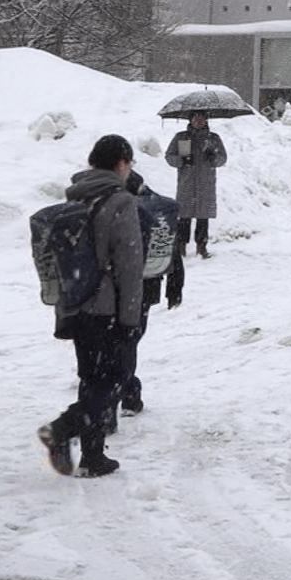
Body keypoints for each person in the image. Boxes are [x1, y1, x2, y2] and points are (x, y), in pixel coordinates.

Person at [39, 134, 145, 479]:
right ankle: (61, 429)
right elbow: (129, 264)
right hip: (106, 308)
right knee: (115, 379)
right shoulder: (120, 201)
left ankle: (93, 456)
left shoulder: (77, 196)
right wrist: (130, 317)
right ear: (121, 163)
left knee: (91, 378)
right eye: (129, 164)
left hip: (76, 304)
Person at [120, 169, 186, 418]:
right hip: (146, 287)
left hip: (115, 285)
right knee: (129, 340)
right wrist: (175, 287)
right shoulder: (156, 209)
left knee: (120, 342)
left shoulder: (116, 208)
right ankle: (128, 396)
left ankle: (123, 393)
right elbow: (170, 247)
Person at [164, 112, 228, 259]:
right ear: (190, 120)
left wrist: (213, 158)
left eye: (202, 118)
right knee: (184, 216)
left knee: (203, 216)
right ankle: (181, 246)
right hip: (186, 182)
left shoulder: (213, 139)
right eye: (195, 118)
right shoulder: (181, 137)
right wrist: (181, 160)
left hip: (205, 183)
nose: (198, 121)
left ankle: (202, 247)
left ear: (206, 120)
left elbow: (223, 158)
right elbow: (169, 156)